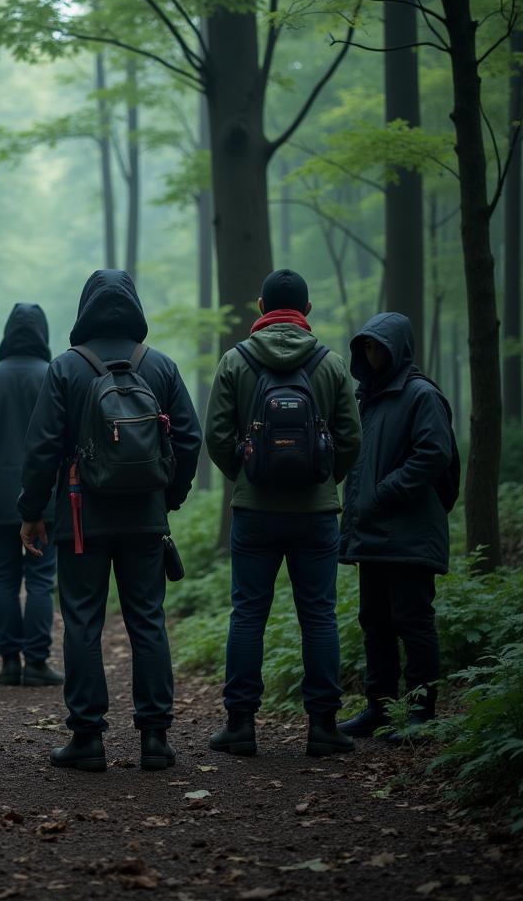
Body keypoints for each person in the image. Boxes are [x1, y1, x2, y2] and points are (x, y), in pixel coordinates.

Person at [19, 270, 202, 773]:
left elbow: (41, 449)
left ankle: (87, 738)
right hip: (146, 518)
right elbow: (188, 438)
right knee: (148, 620)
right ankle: (156, 739)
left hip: (82, 517)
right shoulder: (159, 365)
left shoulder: (66, 368)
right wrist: (170, 496)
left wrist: (32, 512)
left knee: (82, 620)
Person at [204, 268, 362, 758]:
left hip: (254, 512)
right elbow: (352, 438)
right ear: (307, 310)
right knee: (319, 617)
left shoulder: (236, 360)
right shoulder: (331, 363)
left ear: (260, 306)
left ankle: (240, 726)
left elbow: (216, 435)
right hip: (316, 515)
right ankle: (322, 728)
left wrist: (246, 473)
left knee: (248, 613)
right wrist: (322, 480)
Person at [338, 313, 455, 742]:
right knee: (375, 621)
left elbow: (434, 453)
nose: (372, 354)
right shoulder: (370, 397)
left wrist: (386, 491)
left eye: (379, 346)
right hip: (375, 532)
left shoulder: (420, 394)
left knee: (413, 621)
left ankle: (423, 714)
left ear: (397, 348)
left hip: (409, 531)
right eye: (366, 347)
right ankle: (380, 709)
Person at [0, 304, 63, 688]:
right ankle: (38, 662)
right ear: (42, 333)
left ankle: (9, 661)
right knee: (41, 579)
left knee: (4, 578)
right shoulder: (54, 375)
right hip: (46, 497)